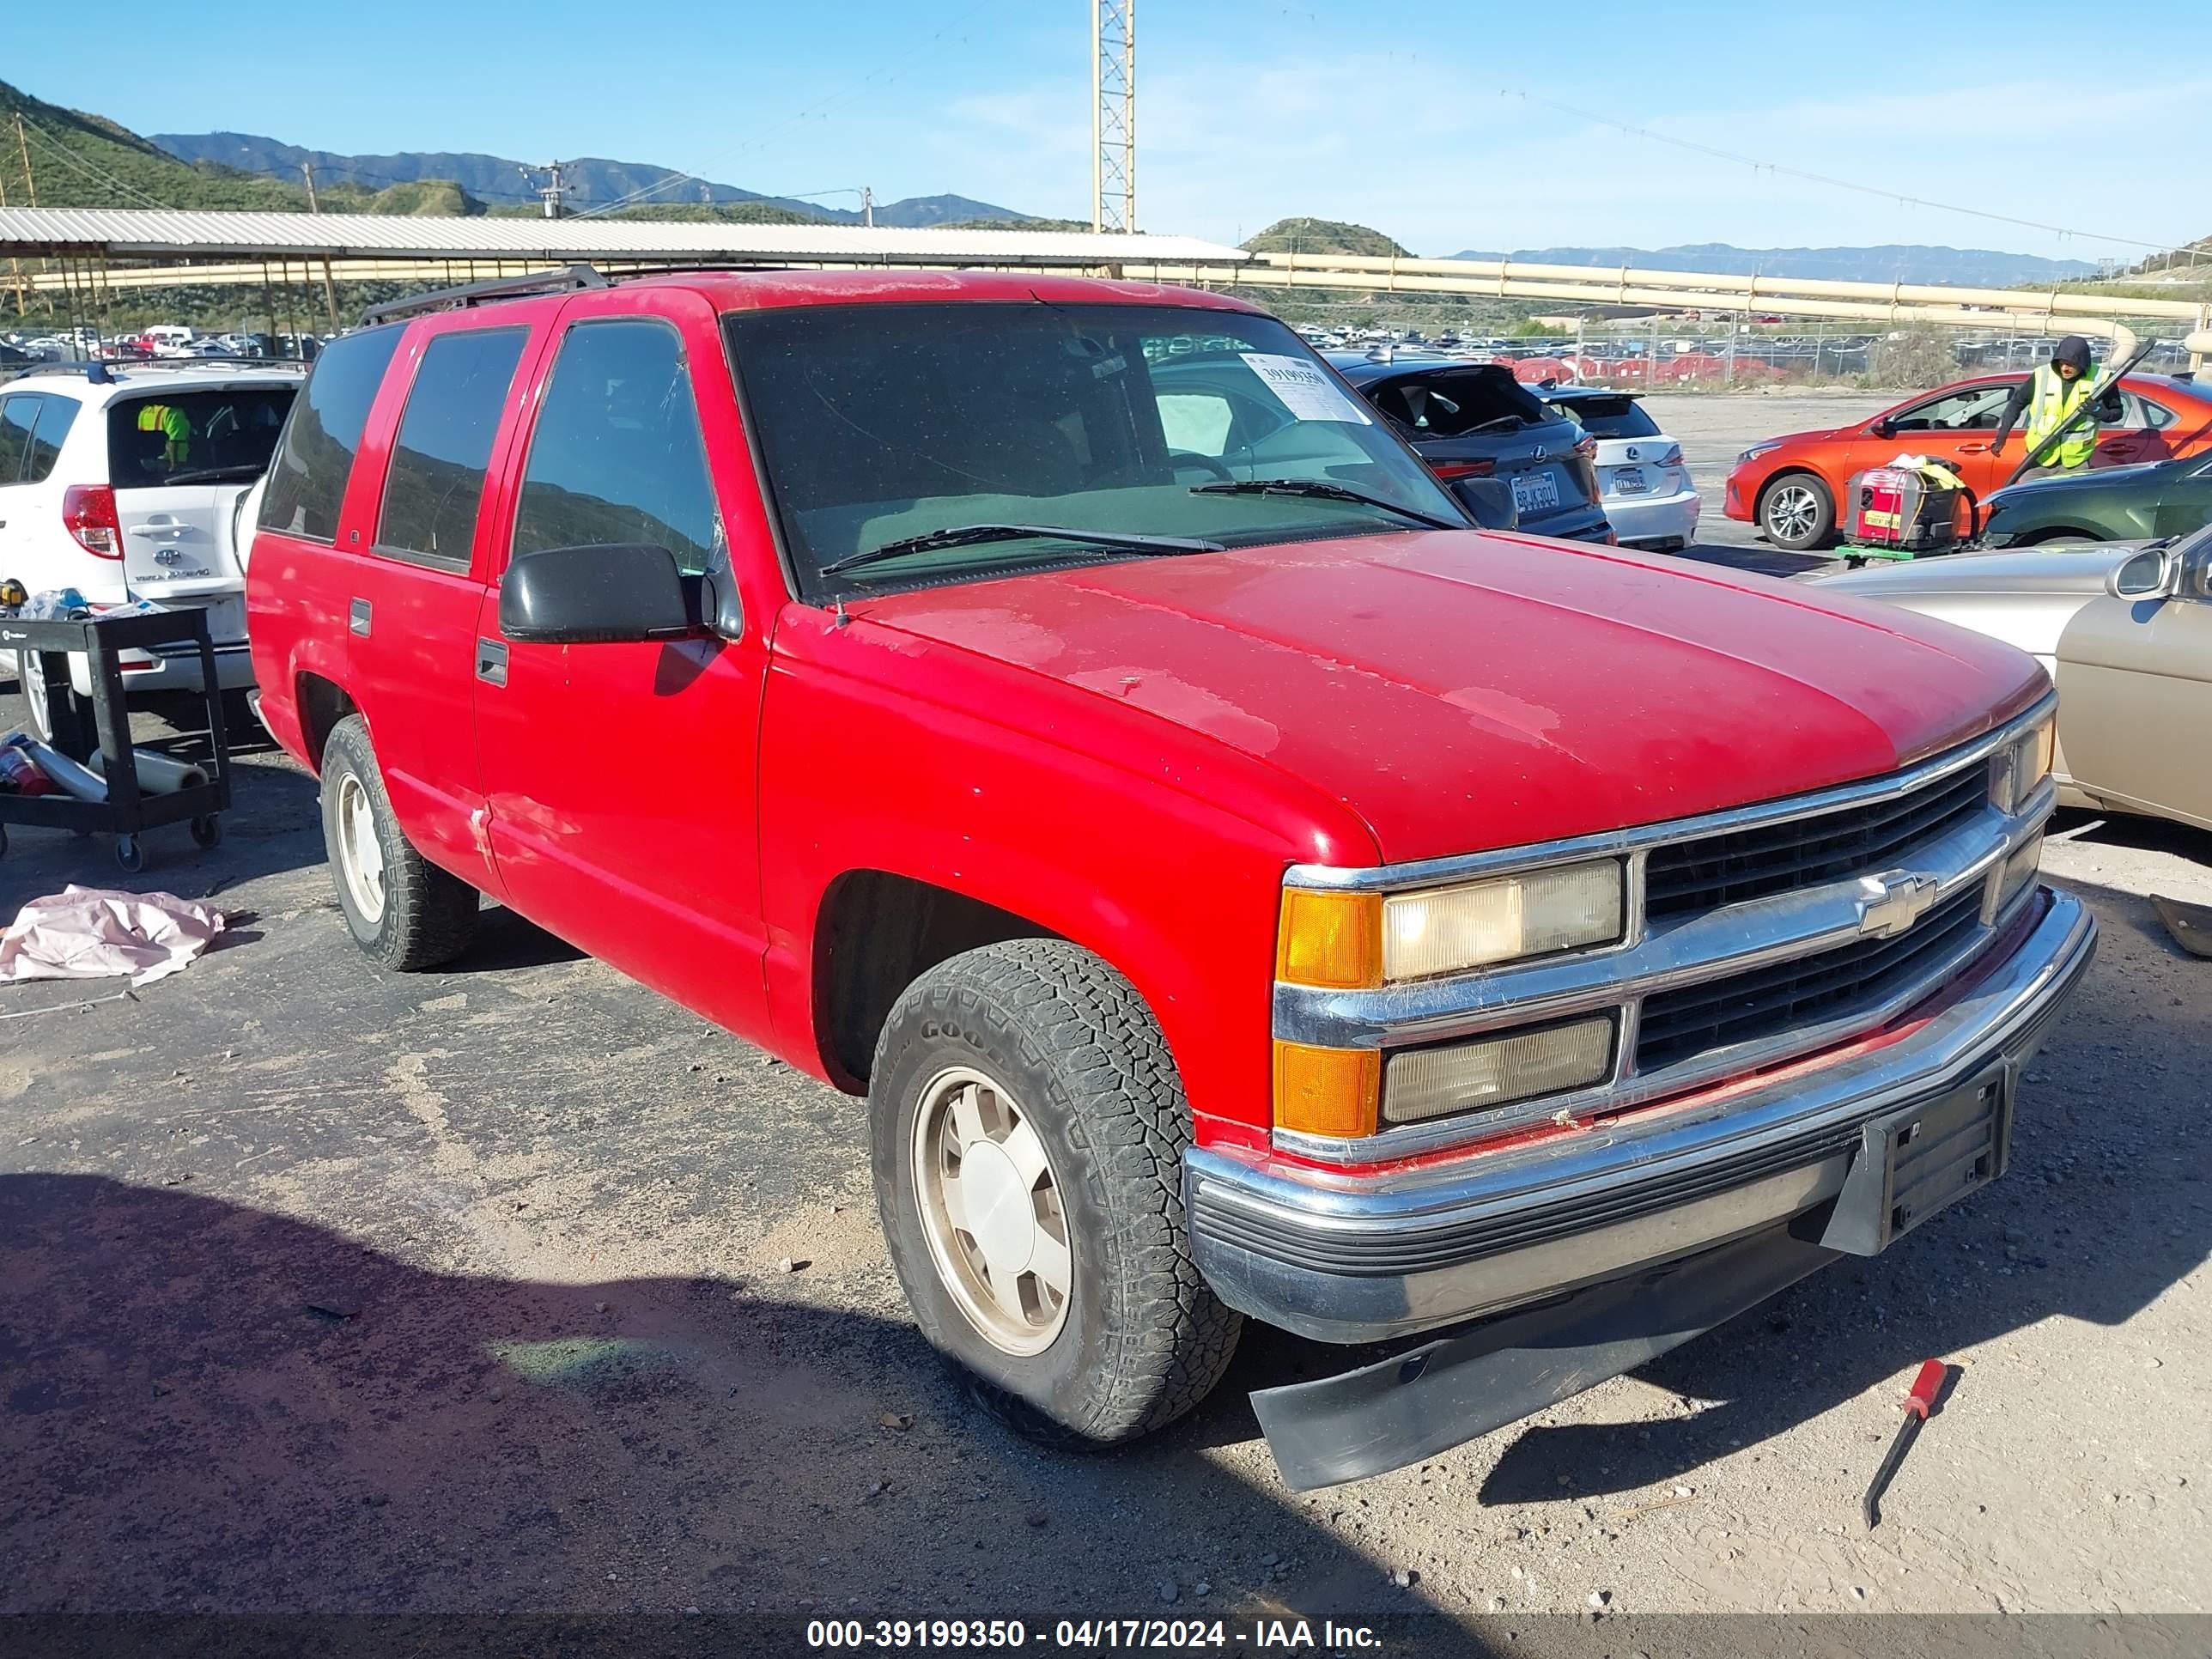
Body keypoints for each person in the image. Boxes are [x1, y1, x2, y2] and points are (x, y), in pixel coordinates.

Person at [1990, 335, 2122, 479]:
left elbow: (2116, 413)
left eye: (2071, 364)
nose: (2065, 368)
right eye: (2062, 363)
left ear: (2083, 363)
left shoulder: (2101, 379)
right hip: (2038, 458)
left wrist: (2099, 411)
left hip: (2075, 463)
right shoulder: (2042, 375)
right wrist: (2002, 435)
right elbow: (2016, 404)